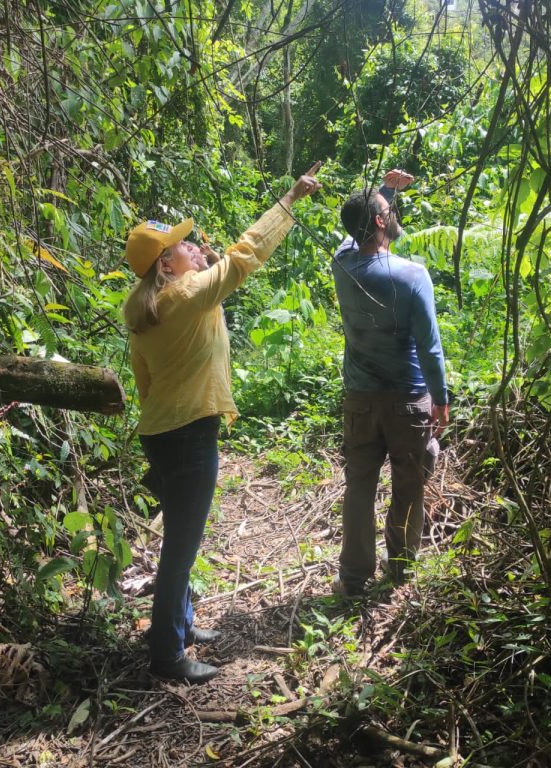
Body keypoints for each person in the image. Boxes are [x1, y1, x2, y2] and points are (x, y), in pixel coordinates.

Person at [123, 164, 322, 684]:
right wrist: (291, 198)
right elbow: (244, 256)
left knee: (180, 540)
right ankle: (167, 656)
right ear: (165, 265)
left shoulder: (149, 310)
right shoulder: (186, 297)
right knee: (180, 548)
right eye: (183, 246)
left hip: (162, 432)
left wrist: (203, 265)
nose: (193, 246)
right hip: (188, 435)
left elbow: (143, 381)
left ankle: (181, 627)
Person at [331, 170, 449, 597]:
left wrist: (381, 192)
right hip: (407, 400)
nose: (394, 212)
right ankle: (399, 565)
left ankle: (354, 577)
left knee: (359, 485)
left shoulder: (342, 265)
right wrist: (441, 399)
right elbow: (430, 347)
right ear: (381, 223)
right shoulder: (411, 276)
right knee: (409, 483)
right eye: (388, 210)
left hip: (360, 400)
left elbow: (350, 235)